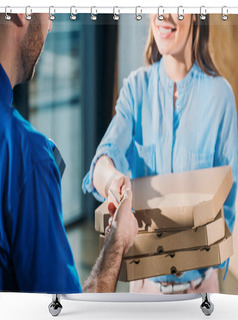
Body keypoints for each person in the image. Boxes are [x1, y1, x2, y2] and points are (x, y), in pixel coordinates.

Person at [83, 14, 238, 294]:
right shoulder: (136, 89)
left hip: (201, 291)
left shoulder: (221, 97)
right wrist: (111, 179)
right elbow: (103, 160)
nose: (164, 13)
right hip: (145, 291)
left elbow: (226, 207)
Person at [0, 13, 138, 293]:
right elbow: (69, 311)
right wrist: (117, 240)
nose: (50, 24)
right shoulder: (28, 156)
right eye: (48, 10)